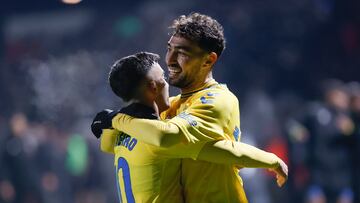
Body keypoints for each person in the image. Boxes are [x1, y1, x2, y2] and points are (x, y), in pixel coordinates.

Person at [93, 13, 288, 203]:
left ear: (209, 60)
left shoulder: (217, 99)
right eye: (169, 48)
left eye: (182, 53)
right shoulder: (164, 114)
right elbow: (218, 150)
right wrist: (270, 160)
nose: (169, 59)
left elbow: (214, 148)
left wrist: (116, 119)